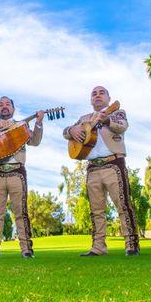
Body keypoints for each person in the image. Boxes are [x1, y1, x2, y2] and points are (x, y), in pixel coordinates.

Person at [64, 86, 139, 256]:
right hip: (92, 167)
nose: (97, 95)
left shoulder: (116, 112)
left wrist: (106, 120)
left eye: (101, 93)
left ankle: (131, 244)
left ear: (108, 98)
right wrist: (71, 130)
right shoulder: (83, 119)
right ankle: (98, 247)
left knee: (123, 205)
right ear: (91, 100)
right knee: (96, 210)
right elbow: (65, 133)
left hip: (113, 163)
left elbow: (122, 126)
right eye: (94, 94)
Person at [0, 96, 43, 259]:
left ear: (13, 109)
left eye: (7, 104)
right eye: (0, 105)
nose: (4, 107)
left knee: (21, 212)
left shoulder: (21, 126)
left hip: (17, 172)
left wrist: (39, 123)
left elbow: (34, 142)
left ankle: (26, 249)